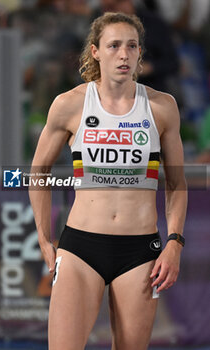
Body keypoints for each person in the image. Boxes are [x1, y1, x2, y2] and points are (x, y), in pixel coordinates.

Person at [29, 12, 187, 350]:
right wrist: (44, 239)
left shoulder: (162, 108)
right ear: (96, 51)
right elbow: (37, 172)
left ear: (140, 52)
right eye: (114, 45)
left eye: (132, 46)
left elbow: (176, 183)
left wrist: (174, 242)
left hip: (140, 252)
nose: (124, 54)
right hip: (80, 248)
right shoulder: (69, 105)